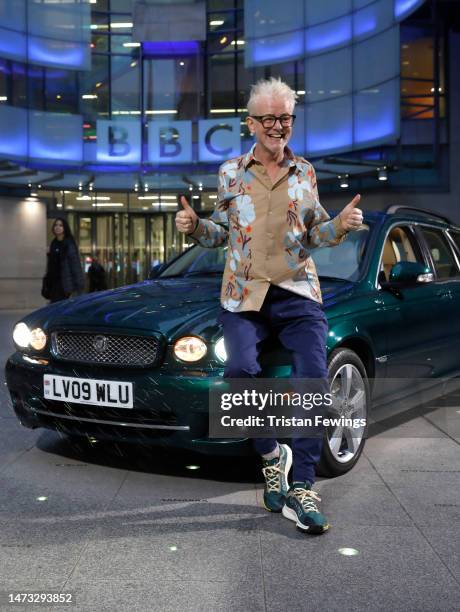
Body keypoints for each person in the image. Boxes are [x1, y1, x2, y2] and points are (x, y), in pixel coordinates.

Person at [175, 77, 363, 534]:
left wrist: (338, 225)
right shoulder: (229, 174)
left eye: (286, 118)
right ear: (251, 123)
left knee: (313, 377)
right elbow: (223, 235)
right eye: (270, 119)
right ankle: (270, 453)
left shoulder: (306, 173)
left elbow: (313, 236)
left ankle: (301, 487)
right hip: (243, 295)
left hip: (297, 292)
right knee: (239, 373)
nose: (279, 127)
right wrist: (195, 226)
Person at [44, 218, 85, 303]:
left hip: (65, 285)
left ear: (65, 228)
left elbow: (75, 265)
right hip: (54, 284)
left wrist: (78, 286)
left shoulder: (69, 244)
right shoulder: (53, 243)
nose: (57, 227)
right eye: (56, 225)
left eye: (60, 225)